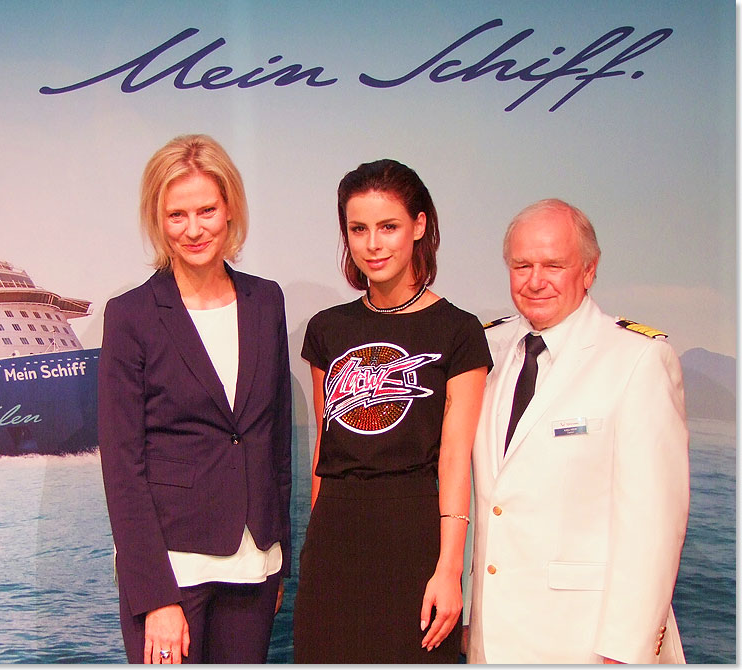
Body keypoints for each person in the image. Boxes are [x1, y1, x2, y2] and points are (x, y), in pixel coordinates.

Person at [466, 198, 690, 664]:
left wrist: (625, 650)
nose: (535, 281)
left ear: (589, 270)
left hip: (583, 641)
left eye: (553, 265)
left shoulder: (636, 360)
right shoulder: (485, 349)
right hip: (487, 637)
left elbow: (653, 525)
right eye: (521, 264)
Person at [97, 134, 292, 664]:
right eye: (176, 215)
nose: (194, 228)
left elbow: (274, 441)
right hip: (172, 575)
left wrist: (280, 558)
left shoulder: (266, 299)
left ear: (230, 210)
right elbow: (122, 466)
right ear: (158, 222)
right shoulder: (131, 315)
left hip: (254, 563)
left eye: (206, 210)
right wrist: (155, 597)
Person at [293, 159, 491, 663]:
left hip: (413, 542)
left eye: (389, 227)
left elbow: (454, 461)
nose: (373, 244)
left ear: (419, 226)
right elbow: (325, 446)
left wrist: (450, 568)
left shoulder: (459, 331)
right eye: (358, 229)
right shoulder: (326, 330)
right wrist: (315, 543)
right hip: (334, 545)